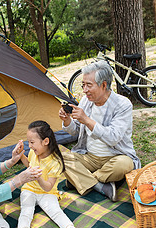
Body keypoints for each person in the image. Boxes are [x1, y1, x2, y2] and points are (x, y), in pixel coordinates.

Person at [58, 60, 141, 202]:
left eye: (89, 85)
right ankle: (101, 186)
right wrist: (67, 121)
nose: (84, 90)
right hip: (88, 156)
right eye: (83, 85)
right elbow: (76, 131)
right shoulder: (86, 101)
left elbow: (114, 137)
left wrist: (87, 120)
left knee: (125, 165)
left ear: (104, 85)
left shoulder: (122, 104)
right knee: (57, 155)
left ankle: (81, 180)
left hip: (115, 157)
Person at [15, 121, 82, 228]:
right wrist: (20, 155)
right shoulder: (33, 153)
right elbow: (29, 164)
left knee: (55, 211)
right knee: (26, 210)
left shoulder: (55, 161)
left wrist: (38, 176)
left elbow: (48, 187)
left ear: (45, 141)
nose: (30, 146)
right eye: (29, 142)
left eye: (32, 142)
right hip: (29, 188)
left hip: (47, 192)